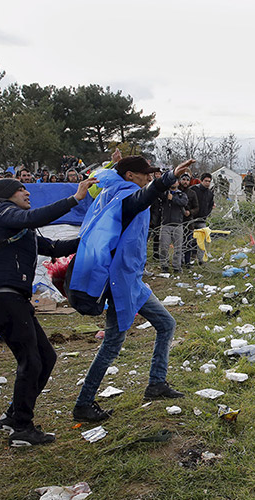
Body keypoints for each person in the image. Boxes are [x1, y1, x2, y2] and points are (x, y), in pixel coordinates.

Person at [71, 154, 196, 422]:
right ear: (129, 176)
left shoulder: (111, 190)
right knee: (112, 344)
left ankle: (156, 383)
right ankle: (83, 403)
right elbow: (146, 196)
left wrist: (112, 162)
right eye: (145, 173)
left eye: (152, 173)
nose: (148, 176)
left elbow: (104, 179)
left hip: (132, 280)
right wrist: (169, 177)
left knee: (166, 324)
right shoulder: (127, 198)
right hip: (120, 283)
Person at [0, 176, 95, 445]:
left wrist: (93, 236)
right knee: (31, 361)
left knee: (46, 357)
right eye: (21, 189)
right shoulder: (3, 212)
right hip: (3, 299)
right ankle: (22, 427)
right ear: (8, 194)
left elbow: (55, 248)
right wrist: (75, 199)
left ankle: (14, 416)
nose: (27, 192)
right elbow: (33, 217)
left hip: (14, 301)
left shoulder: (21, 229)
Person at [159, 174, 189, 272]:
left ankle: (177, 266)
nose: (173, 183)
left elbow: (184, 202)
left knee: (178, 248)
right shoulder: (164, 194)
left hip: (178, 224)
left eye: (175, 181)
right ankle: (164, 265)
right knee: (164, 246)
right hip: (166, 224)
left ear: (178, 183)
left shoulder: (181, 194)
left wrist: (173, 199)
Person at [182, 177, 199, 268]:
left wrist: (190, 212)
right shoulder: (176, 192)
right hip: (177, 221)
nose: (185, 182)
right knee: (179, 243)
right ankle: (179, 262)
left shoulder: (192, 193)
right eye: (183, 179)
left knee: (188, 242)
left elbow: (196, 207)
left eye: (187, 180)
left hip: (189, 222)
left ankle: (187, 262)